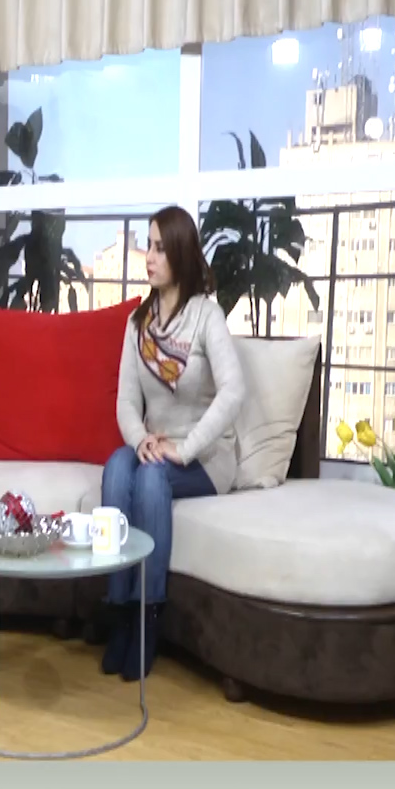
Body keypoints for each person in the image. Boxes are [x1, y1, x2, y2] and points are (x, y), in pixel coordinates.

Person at [97, 205, 246, 682]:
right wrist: (141, 440)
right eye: (149, 245)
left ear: (180, 253)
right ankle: (119, 610)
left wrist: (184, 449)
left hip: (204, 457)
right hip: (156, 447)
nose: (149, 256)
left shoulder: (206, 316)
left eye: (160, 248)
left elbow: (234, 391)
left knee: (151, 479)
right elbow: (125, 400)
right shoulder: (138, 323)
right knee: (118, 467)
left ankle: (149, 616)